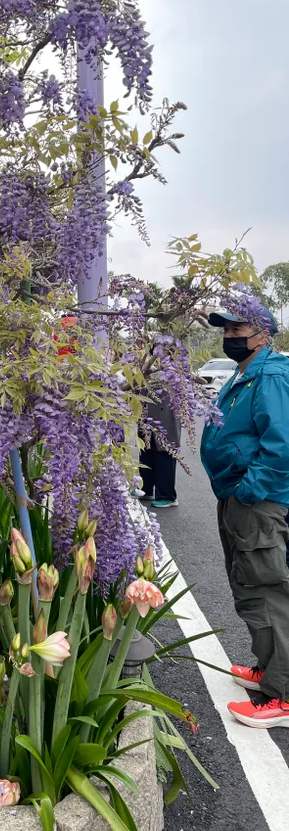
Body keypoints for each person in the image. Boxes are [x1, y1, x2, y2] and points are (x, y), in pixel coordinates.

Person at [201, 305, 289, 729]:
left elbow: (282, 445)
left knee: (268, 590)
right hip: (238, 498)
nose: (230, 334)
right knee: (249, 588)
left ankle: (283, 695)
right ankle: (269, 669)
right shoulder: (246, 372)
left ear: (263, 333)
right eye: (225, 328)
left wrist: (249, 491)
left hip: (258, 502)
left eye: (239, 327)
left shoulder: (271, 375)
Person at [140, 383, 181, 509]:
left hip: (165, 407)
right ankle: (145, 489)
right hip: (147, 405)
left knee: (164, 448)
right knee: (145, 447)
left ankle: (166, 496)